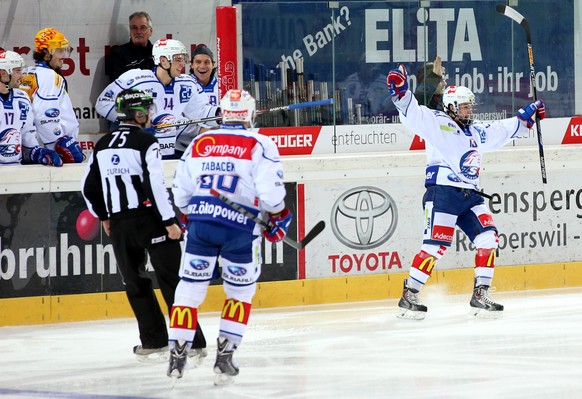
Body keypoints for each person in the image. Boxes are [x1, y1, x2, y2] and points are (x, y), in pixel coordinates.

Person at [387, 64, 546, 319]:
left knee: (489, 238)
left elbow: (501, 131)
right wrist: (401, 92)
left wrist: (526, 116)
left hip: (469, 196)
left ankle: (480, 294)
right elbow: (412, 113)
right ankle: (409, 294)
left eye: (470, 106)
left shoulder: (476, 129)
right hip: (443, 193)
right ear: (451, 107)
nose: (469, 110)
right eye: (464, 106)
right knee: (435, 246)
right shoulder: (437, 123)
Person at [167, 89, 292, 386]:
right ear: (250, 114)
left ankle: (177, 353)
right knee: (239, 293)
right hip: (240, 230)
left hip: (201, 225)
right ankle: (225, 357)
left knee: (189, 289)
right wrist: (277, 216)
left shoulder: (201, 141)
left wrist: (187, 213)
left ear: (223, 113)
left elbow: (181, 188)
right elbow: (271, 192)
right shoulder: (260, 143)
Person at [81, 89, 207, 362]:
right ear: (137, 113)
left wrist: (104, 216)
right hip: (151, 221)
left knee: (135, 283)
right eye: (147, 110)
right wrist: (169, 221)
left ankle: (153, 342)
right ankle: (192, 343)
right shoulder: (146, 141)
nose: (150, 114)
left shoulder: (102, 145)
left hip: (120, 225)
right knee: (173, 281)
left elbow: (88, 187)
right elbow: (155, 186)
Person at [96, 38, 219, 159]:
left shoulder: (187, 83)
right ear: (163, 60)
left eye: (183, 59)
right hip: (137, 148)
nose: (182, 64)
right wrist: (135, 122)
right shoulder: (136, 79)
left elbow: (201, 111)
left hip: (171, 148)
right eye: (178, 59)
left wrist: (221, 113)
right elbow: (103, 102)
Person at [19, 28, 83, 164]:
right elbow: (46, 117)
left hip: (31, 147)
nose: (65, 56)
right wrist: (56, 146)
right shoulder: (50, 76)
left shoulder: (27, 72)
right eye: (60, 51)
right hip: (48, 151)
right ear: (46, 53)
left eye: (65, 50)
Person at [0, 50, 62, 166]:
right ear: (4, 73)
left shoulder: (22, 98)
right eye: (17, 71)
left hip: (16, 171)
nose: (22, 76)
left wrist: (38, 153)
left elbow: (27, 136)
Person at [173, 44, 219, 158]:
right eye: (198, 62)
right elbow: (174, 117)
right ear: (191, 65)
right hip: (182, 149)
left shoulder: (222, 86)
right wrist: (200, 131)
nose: (202, 66)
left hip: (215, 146)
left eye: (207, 62)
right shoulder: (182, 85)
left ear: (213, 65)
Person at [106, 11, 155, 83]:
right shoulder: (118, 54)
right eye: (134, 28)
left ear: (150, 31)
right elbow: (116, 85)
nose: (138, 32)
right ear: (130, 31)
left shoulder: (158, 52)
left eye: (143, 28)